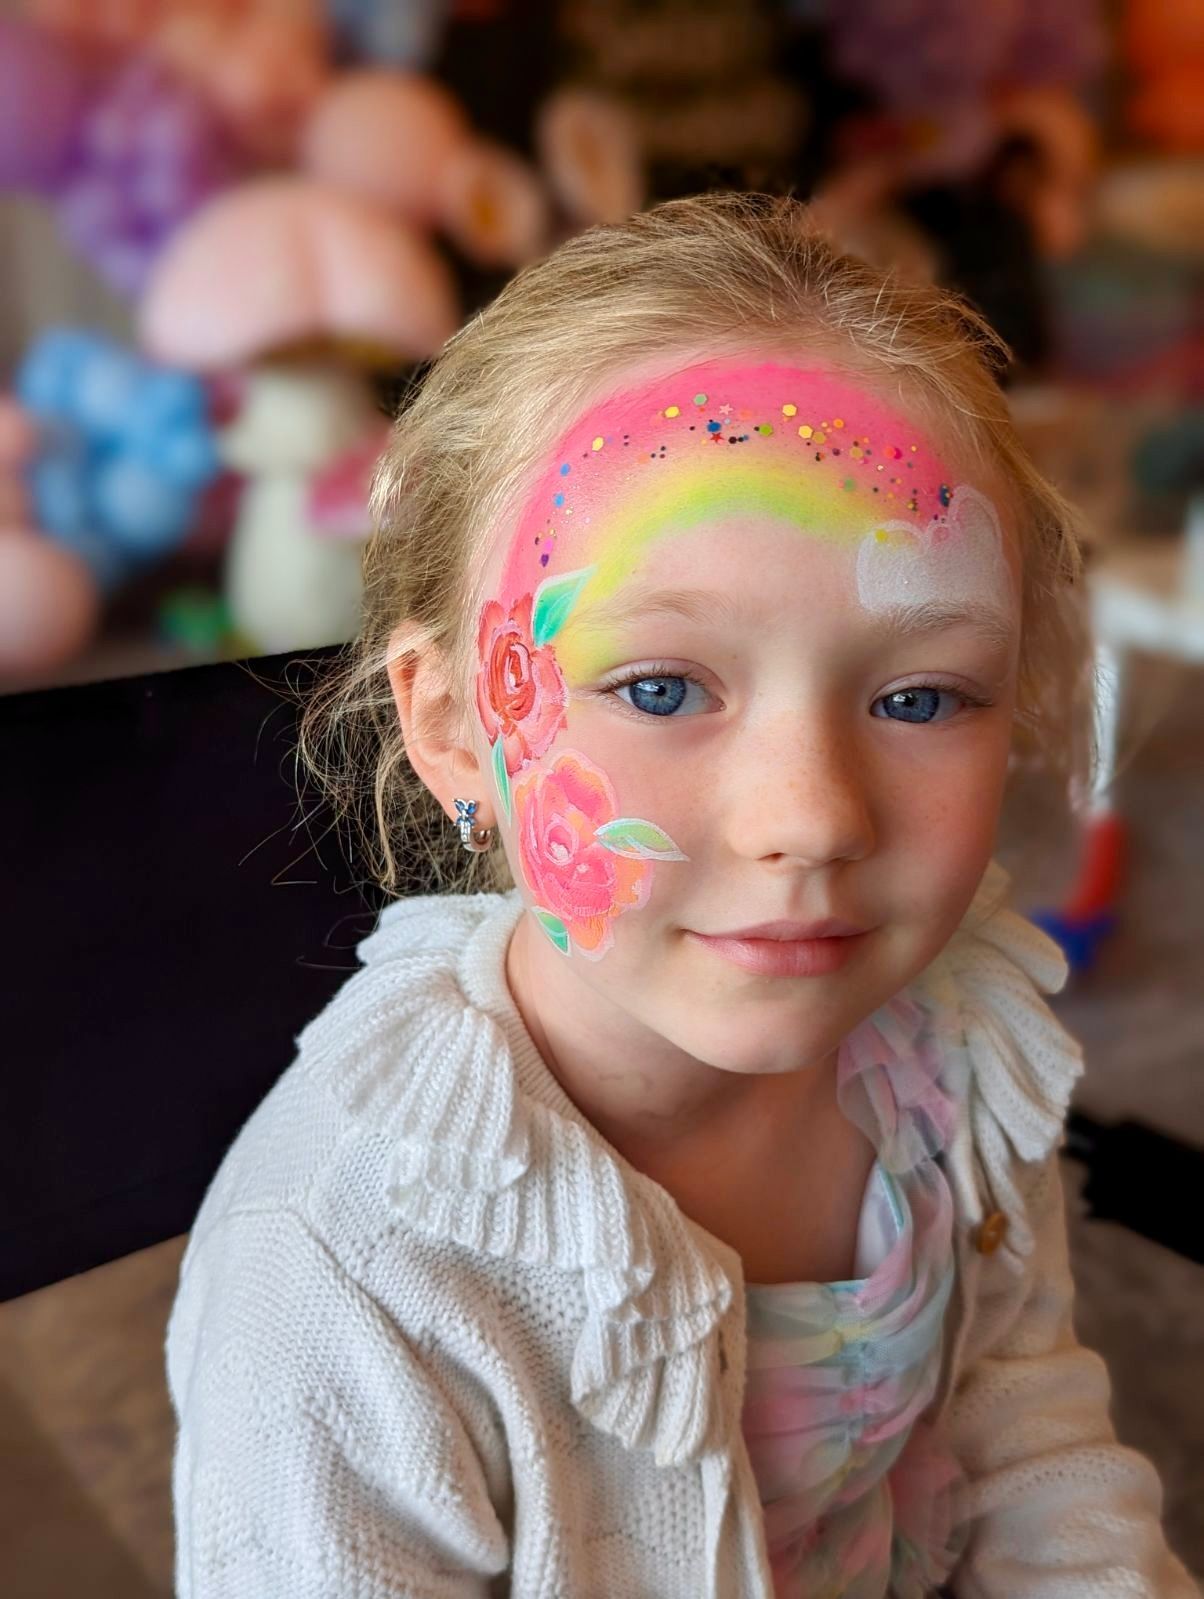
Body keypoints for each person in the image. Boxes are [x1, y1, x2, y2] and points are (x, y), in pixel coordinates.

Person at [165, 192, 1197, 1597]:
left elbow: (1027, 1440)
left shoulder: (947, 1058)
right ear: (459, 727)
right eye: (660, 687)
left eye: (919, 695)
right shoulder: (342, 1272)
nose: (813, 818)